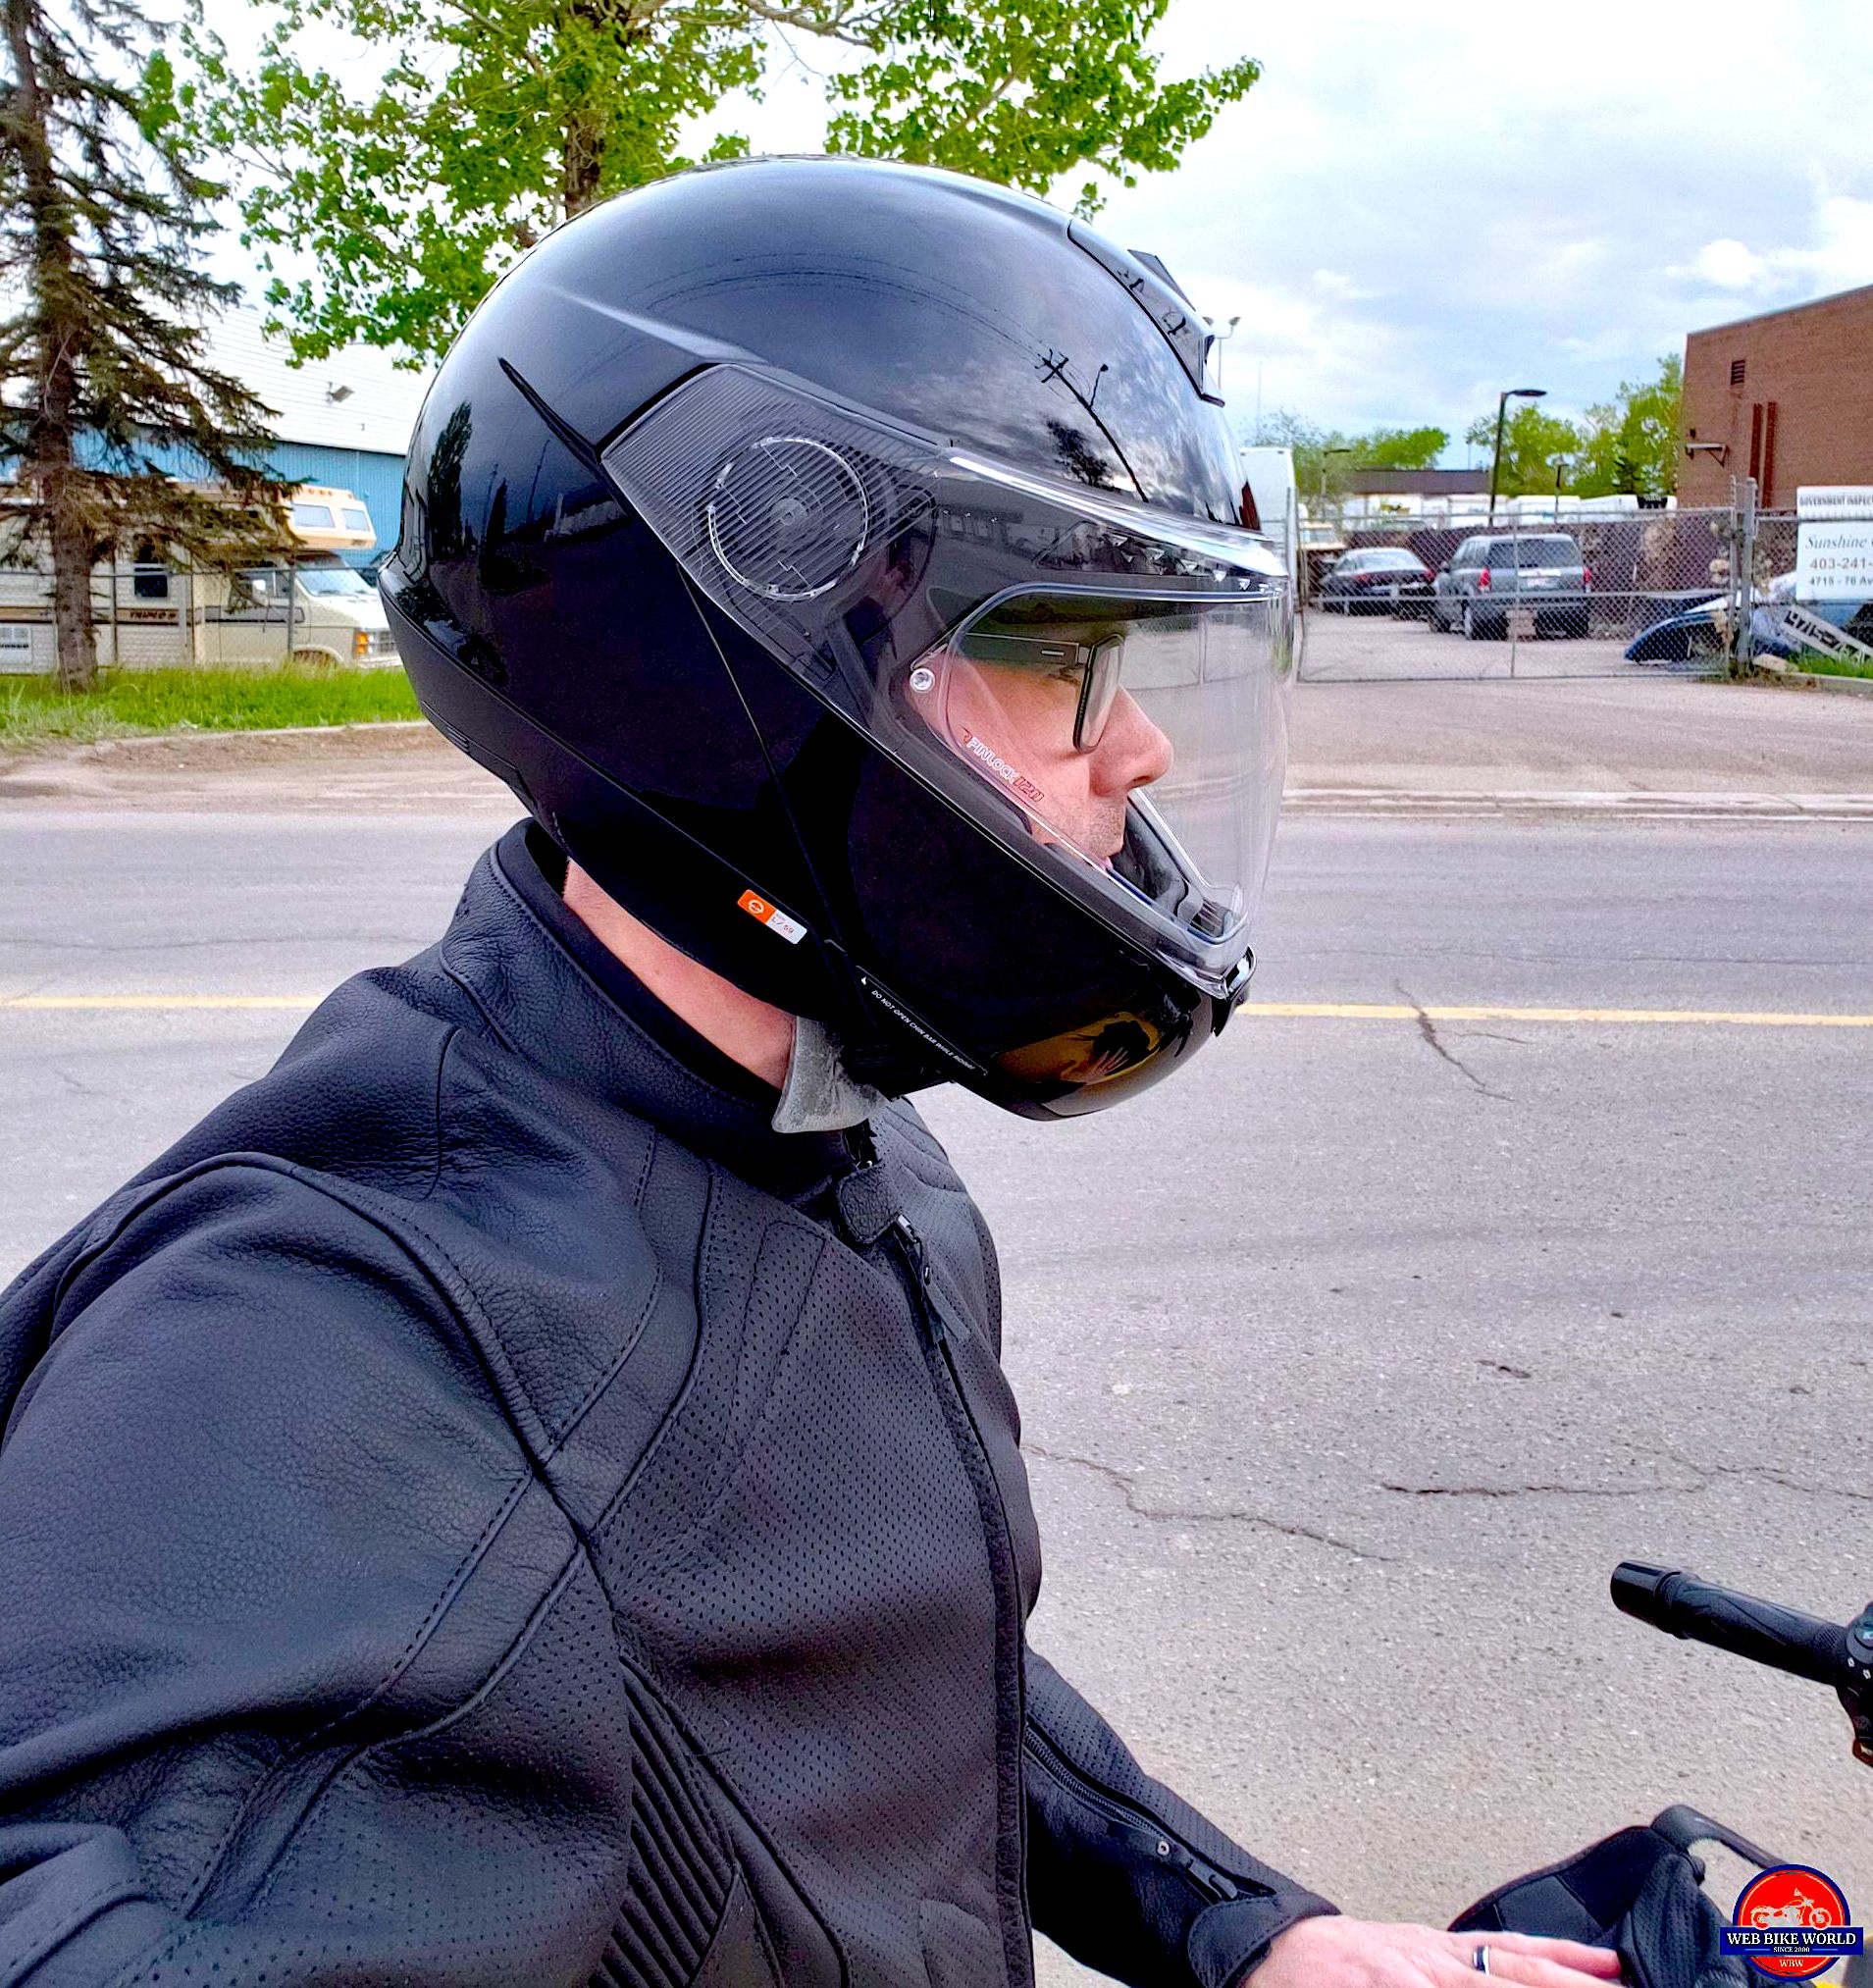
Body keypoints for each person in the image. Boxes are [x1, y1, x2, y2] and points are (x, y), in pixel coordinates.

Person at [0, 158, 1626, 1988]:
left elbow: (853, 1655)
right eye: (1058, 659)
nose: (1147, 747)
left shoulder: (828, 1124)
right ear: (740, 686)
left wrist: (1241, 1925)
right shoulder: (340, 1335)